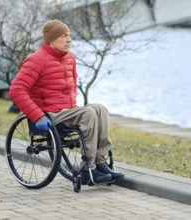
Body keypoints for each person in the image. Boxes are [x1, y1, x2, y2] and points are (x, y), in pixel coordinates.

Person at [9, 19, 124, 185]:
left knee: (100, 109)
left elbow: (72, 87)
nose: (69, 39)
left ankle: (100, 163)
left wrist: (72, 107)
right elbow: (16, 90)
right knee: (89, 113)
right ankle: (87, 169)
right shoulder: (36, 60)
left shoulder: (70, 58)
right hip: (49, 114)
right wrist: (38, 116)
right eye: (64, 36)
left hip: (67, 111)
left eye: (69, 35)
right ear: (51, 39)